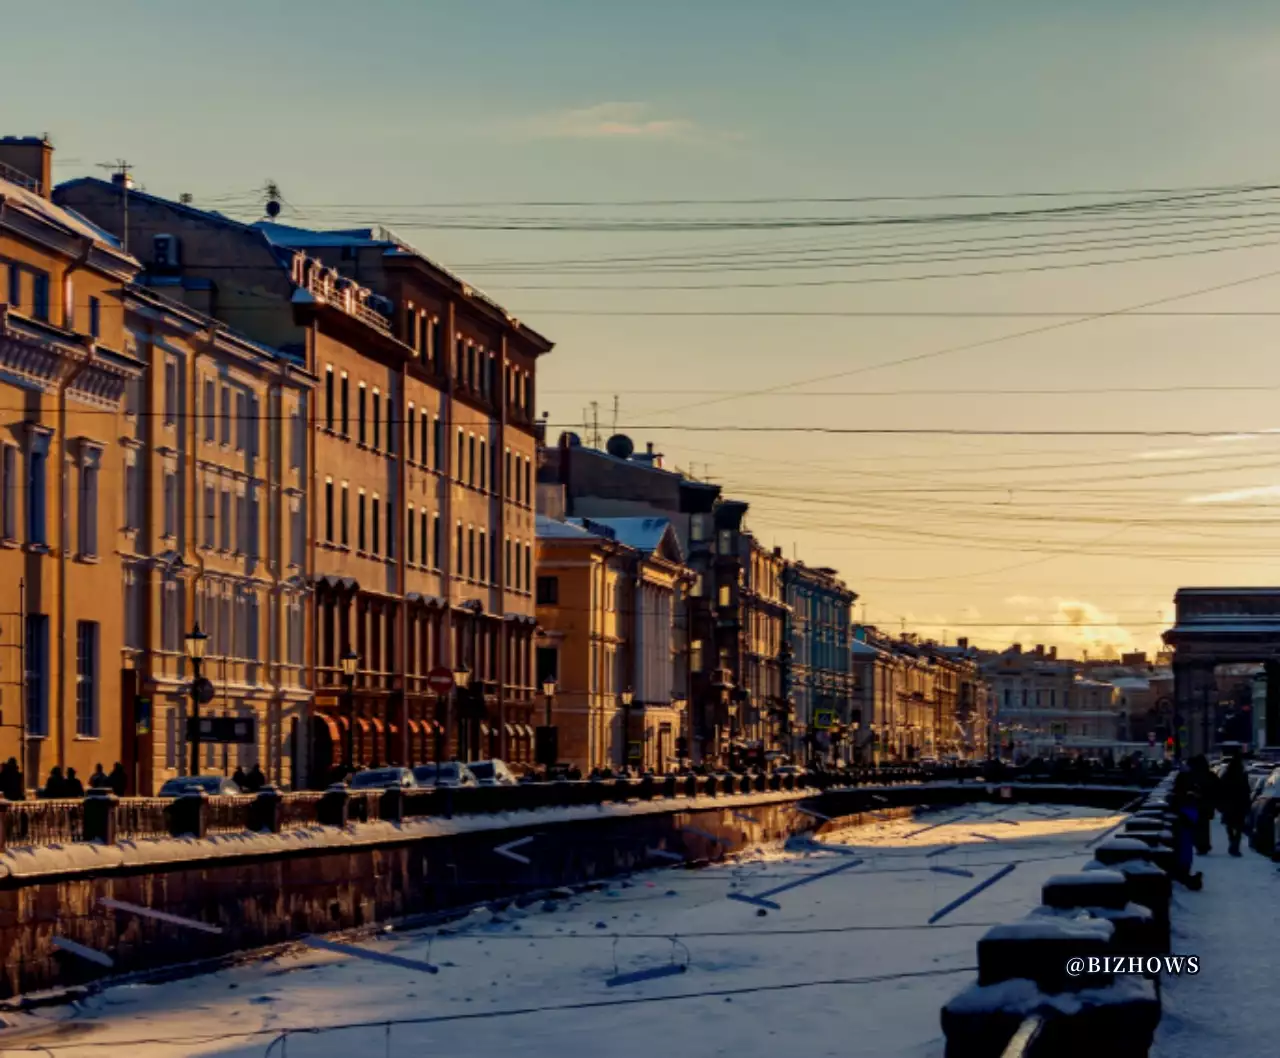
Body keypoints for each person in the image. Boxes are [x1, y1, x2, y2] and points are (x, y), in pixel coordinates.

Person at [1170, 764, 1205, 890]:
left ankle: (1184, 874)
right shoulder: (1192, 784)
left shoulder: (1182, 785)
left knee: (1184, 845)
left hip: (1184, 816)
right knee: (1186, 846)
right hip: (1189, 816)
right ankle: (1186, 875)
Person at [1218, 754, 1253, 856]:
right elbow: (1246, 790)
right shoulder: (1242, 775)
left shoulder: (1226, 774)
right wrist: (1247, 804)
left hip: (1229, 804)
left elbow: (1221, 789)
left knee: (1229, 825)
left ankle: (1232, 841)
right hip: (1239, 804)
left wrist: (1221, 803)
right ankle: (1235, 845)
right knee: (1238, 826)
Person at [1189, 755, 1218, 855]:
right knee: (1204, 826)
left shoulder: (1194, 775)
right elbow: (1217, 788)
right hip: (1207, 805)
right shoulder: (1210, 775)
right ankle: (1204, 845)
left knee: (1198, 826)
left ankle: (1200, 845)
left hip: (1197, 804)